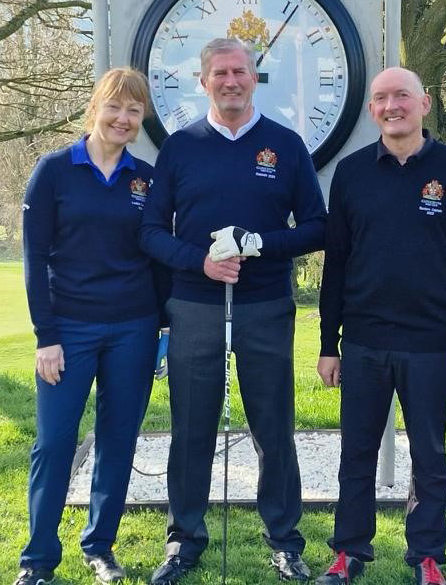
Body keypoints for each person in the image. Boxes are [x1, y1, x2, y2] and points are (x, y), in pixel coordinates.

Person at [139, 38, 325, 584]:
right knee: (192, 427)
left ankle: (285, 541)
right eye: (219, 73)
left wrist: (258, 245)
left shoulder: (285, 145)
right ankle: (184, 540)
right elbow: (151, 231)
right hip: (194, 306)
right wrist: (201, 262)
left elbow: (317, 226)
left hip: (265, 305)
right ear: (203, 82)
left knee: (273, 426)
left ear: (254, 77)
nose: (230, 81)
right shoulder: (180, 147)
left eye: (240, 71)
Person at [315, 67, 446, 585]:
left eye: (403, 96)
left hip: (432, 342)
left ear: (425, 103)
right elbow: (337, 264)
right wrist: (329, 344)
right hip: (365, 341)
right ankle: (348, 554)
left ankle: (427, 557)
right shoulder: (350, 173)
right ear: (372, 110)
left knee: (430, 455)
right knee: (356, 452)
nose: (393, 106)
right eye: (382, 98)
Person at [16, 67, 169, 585]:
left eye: (133, 110)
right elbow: (35, 260)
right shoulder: (54, 171)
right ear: (95, 107)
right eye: (115, 107)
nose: (123, 119)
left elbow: (158, 259)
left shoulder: (146, 180)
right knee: (55, 443)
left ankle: (100, 546)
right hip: (69, 329)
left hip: (134, 328)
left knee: (118, 440)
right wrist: (46, 337)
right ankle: (37, 559)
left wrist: (163, 329)